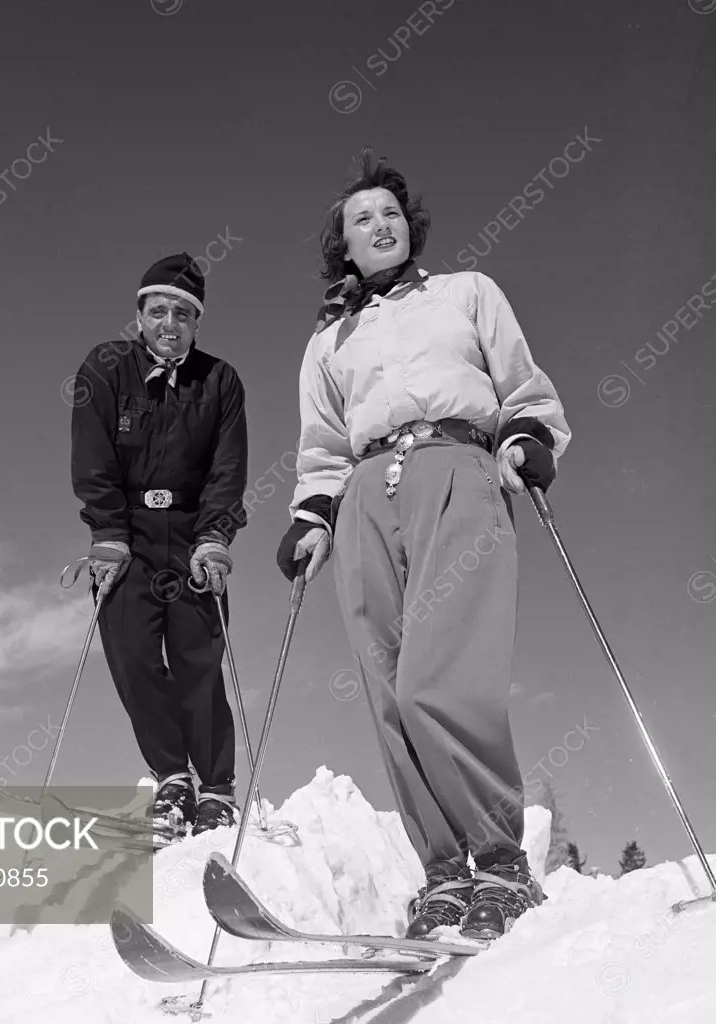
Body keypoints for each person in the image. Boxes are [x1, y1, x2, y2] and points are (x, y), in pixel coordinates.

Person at [276, 152, 571, 940]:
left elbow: (521, 386)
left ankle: (500, 860)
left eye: (390, 213)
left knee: (437, 679)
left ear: (410, 229)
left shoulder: (466, 293)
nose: (379, 225)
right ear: (342, 243)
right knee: (386, 689)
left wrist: (526, 437)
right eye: (361, 218)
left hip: (457, 469)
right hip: (368, 495)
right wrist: (311, 517)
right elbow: (321, 446)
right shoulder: (329, 338)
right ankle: (443, 872)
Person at [70, 252, 249, 842]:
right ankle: (173, 778)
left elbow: (227, 469)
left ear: (197, 324)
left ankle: (217, 789)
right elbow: (93, 459)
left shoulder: (219, 381)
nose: (169, 324)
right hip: (128, 539)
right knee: (132, 657)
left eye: (183, 314)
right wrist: (108, 535)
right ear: (140, 315)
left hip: (193, 536)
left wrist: (216, 537)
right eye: (158, 311)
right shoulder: (104, 368)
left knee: (198, 660)